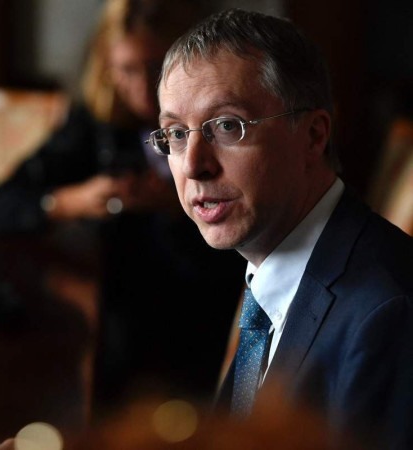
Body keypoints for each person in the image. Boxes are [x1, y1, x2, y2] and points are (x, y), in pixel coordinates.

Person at [145, 8, 413, 449]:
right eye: (175, 133)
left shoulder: (388, 311)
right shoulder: (264, 275)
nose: (193, 165)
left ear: (313, 136)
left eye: (226, 126)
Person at [0, 0, 245, 417]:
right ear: (107, 69)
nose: (141, 87)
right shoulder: (97, 123)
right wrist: (71, 200)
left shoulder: (225, 121)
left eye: (155, 68)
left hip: (208, 304)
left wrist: (182, 206)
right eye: (126, 70)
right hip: (123, 312)